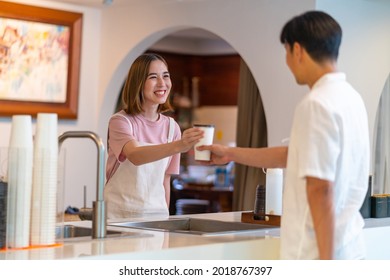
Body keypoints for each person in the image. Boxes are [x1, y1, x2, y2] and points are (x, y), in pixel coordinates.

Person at [198, 11, 370, 260]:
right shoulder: (352, 98)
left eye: (287, 52)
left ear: (298, 50)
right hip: (350, 244)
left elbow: (320, 189)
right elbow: (293, 155)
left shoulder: (316, 104)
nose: (287, 61)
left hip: (316, 252)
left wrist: (327, 263)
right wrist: (230, 153)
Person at [104, 53, 203, 219]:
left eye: (166, 76)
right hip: (118, 215)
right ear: (138, 83)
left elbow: (165, 181)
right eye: (153, 77)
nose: (162, 83)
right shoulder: (120, 122)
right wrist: (179, 145)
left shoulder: (172, 128)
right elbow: (135, 155)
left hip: (156, 216)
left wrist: (166, 221)